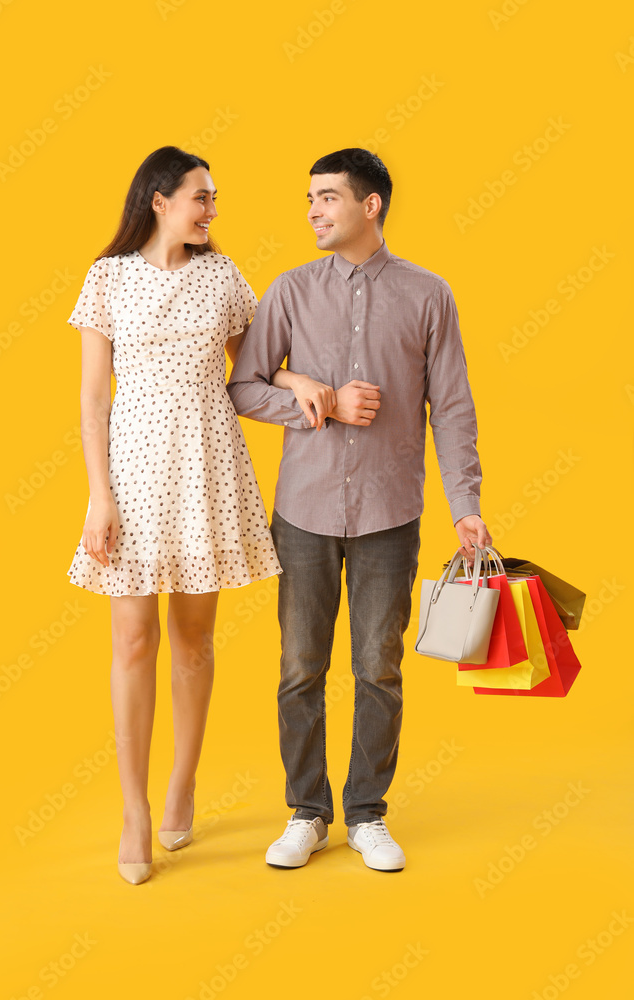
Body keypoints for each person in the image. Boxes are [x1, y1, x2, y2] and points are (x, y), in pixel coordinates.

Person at [227, 148, 491, 872]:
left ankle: (368, 812)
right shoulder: (287, 291)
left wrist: (463, 504)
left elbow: (454, 407)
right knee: (299, 667)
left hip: (389, 514)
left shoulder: (428, 294)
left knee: (378, 667)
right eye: (308, 198)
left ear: (369, 205)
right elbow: (243, 386)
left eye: (326, 198)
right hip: (303, 513)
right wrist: (313, 401)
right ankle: (306, 813)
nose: (312, 210)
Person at [65, 146, 282, 884]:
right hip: (131, 469)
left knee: (193, 640)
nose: (211, 208)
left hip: (206, 465)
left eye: (214, 197)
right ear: (159, 200)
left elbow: (255, 367)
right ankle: (133, 809)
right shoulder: (107, 279)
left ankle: (182, 780)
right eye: (201, 196)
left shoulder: (222, 276)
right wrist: (100, 495)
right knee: (132, 640)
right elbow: (94, 401)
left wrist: (306, 379)